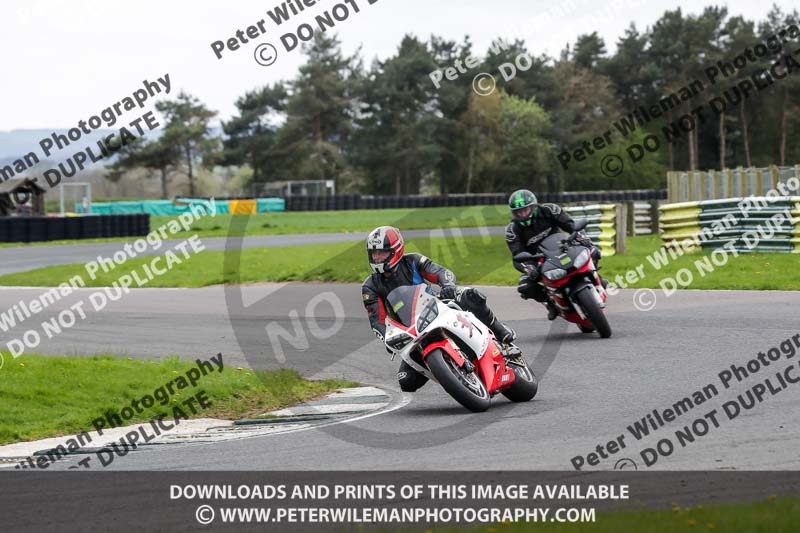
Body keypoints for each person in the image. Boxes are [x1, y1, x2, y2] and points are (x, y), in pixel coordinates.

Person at [361, 225, 518, 393]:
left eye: (382, 252)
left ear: (396, 250)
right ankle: (453, 373)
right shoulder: (370, 286)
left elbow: (441, 272)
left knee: (471, 296)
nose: (377, 258)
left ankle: (499, 330)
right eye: (374, 253)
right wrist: (387, 338)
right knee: (406, 381)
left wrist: (447, 285)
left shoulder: (413, 261)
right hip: (411, 330)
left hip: (437, 308)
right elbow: (377, 320)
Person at [504, 189, 602, 320]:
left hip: (563, 247)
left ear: (533, 206)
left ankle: (596, 277)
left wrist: (580, 236)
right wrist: (528, 267)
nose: (522, 214)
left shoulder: (550, 210)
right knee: (525, 287)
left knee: (593, 251)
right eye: (518, 212)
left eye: (525, 210)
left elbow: (570, 226)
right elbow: (517, 255)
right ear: (513, 213)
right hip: (537, 260)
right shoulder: (512, 230)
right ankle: (550, 303)